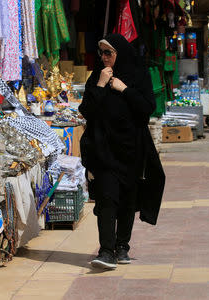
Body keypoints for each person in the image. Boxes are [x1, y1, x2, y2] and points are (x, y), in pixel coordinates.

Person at [79, 33, 165, 269]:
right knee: (107, 199)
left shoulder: (138, 75)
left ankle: (122, 246)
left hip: (132, 149)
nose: (104, 58)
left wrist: (124, 89)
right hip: (104, 150)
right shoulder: (97, 77)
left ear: (121, 54)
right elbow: (86, 110)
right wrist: (99, 85)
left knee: (128, 200)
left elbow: (147, 108)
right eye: (102, 53)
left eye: (109, 53)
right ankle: (106, 251)